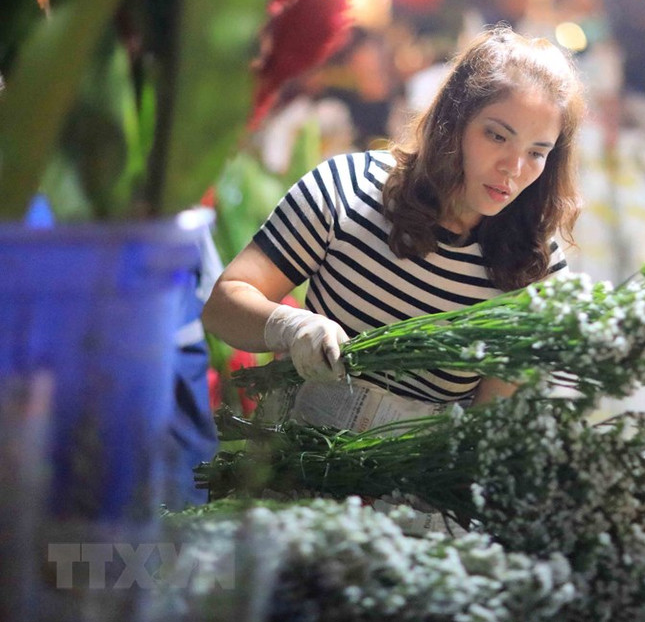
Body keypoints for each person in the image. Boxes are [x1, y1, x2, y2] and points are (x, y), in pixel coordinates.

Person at [201, 24, 584, 415]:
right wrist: (290, 327)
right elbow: (222, 306)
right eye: (498, 136)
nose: (514, 168)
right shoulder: (346, 188)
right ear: (453, 123)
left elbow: (488, 425)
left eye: (537, 153)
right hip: (294, 463)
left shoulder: (535, 264)